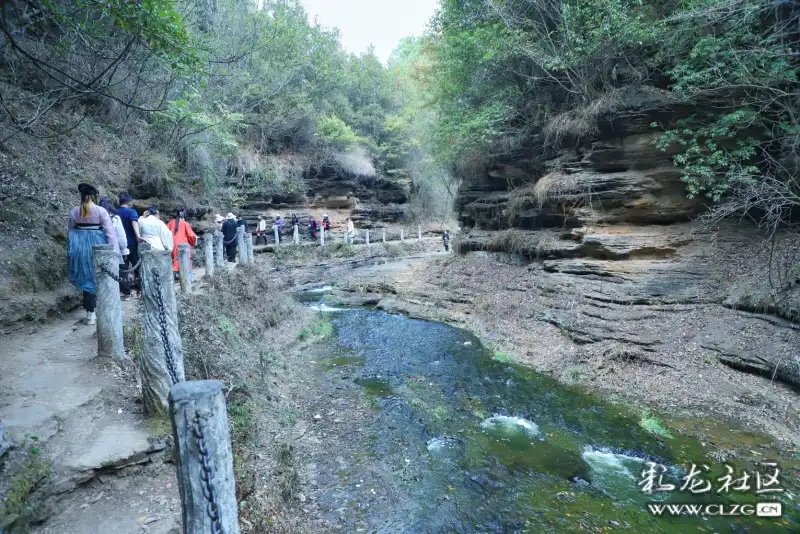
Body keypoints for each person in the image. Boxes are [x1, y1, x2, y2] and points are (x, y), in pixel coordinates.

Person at [67, 183, 120, 325]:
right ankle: (100, 310)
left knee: (86, 279)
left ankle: (90, 313)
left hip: (80, 248)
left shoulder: (74, 212)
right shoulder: (101, 211)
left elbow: (70, 230)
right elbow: (110, 233)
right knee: (99, 277)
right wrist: (114, 252)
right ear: (95, 196)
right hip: (98, 246)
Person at [99, 198, 128, 298]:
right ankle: (123, 292)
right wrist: (124, 249)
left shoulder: (96, 217)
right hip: (114, 250)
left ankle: (107, 294)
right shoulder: (115, 218)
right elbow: (121, 236)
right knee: (119, 271)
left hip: (99, 250)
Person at [117, 193, 141, 298]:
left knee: (123, 269)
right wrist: (138, 236)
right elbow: (134, 223)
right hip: (131, 244)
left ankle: (126, 293)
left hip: (120, 246)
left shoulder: (116, 213)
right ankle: (139, 291)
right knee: (137, 267)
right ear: (129, 202)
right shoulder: (132, 212)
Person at [167, 208, 197, 279]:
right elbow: (191, 236)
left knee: (174, 262)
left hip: (172, 246)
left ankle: (176, 277)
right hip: (183, 246)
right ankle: (188, 279)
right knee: (185, 263)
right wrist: (192, 243)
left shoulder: (169, 224)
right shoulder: (184, 223)